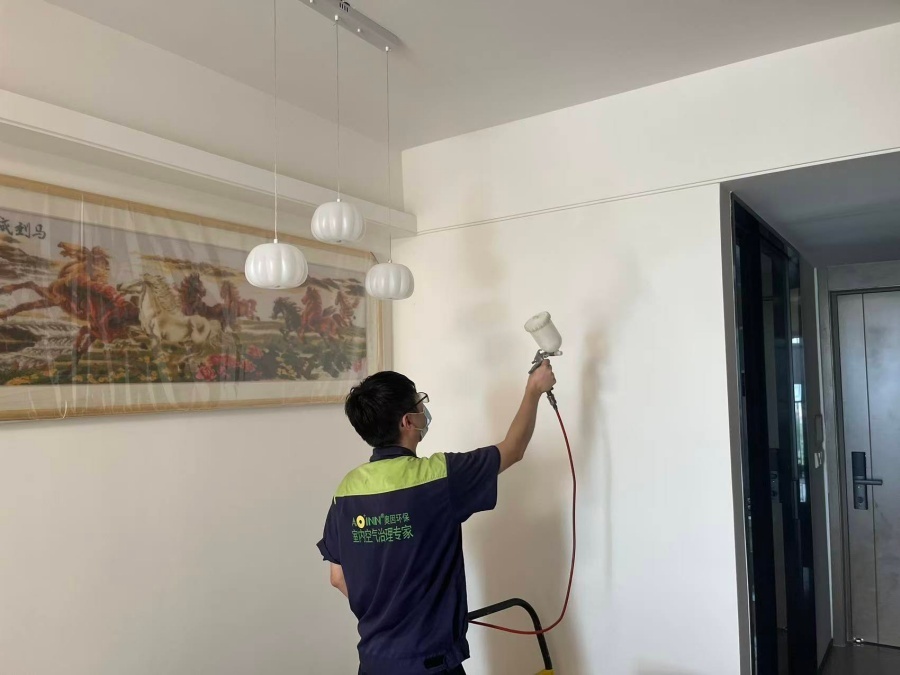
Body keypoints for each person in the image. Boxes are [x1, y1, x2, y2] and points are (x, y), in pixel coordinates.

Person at [317, 362, 556, 675]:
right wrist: (534, 389)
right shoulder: (440, 477)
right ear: (407, 422)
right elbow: (513, 449)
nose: (423, 410)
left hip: (374, 663)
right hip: (431, 665)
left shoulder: (346, 491)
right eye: (419, 403)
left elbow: (337, 577)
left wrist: (389, 615)